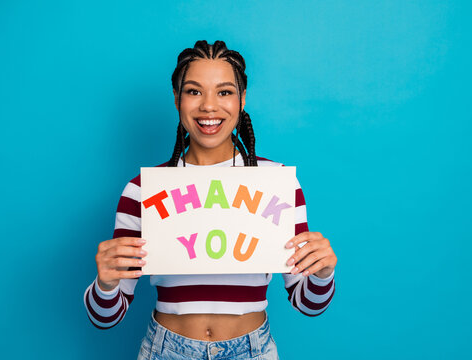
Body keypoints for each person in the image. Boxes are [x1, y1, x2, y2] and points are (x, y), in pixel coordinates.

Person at [84, 40, 337, 360]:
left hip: (252, 351)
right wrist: (105, 284)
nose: (208, 106)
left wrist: (322, 273)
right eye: (193, 91)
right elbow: (105, 317)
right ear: (177, 99)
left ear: (242, 99)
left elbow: (307, 303)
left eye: (224, 92)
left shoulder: (278, 183)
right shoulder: (141, 191)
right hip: (165, 351)